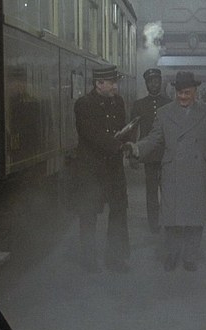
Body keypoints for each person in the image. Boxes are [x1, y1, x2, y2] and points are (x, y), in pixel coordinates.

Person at [127, 71, 206, 272]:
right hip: (172, 171)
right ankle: (171, 254)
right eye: (179, 93)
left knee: (195, 217)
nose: (182, 97)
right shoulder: (164, 112)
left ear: (195, 91)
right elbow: (154, 138)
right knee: (171, 218)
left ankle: (190, 256)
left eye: (187, 93)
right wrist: (137, 148)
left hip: (198, 171)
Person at [73, 65, 131, 273]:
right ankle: (88, 260)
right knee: (88, 214)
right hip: (91, 170)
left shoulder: (118, 102)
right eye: (112, 83)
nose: (116, 87)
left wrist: (125, 137)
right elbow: (90, 134)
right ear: (99, 84)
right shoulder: (83, 104)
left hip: (114, 168)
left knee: (118, 212)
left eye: (116, 82)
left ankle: (115, 259)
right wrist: (116, 145)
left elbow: (121, 127)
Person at [130, 68, 172, 234]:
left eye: (156, 81)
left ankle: (169, 220)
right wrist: (133, 154)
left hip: (167, 154)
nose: (154, 84)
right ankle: (153, 223)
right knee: (151, 191)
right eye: (150, 82)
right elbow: (133, 130)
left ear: (161, 82)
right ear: (146, 84)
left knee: (168, 190)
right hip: (149, 155)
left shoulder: (169, 103)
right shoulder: (139, 105)